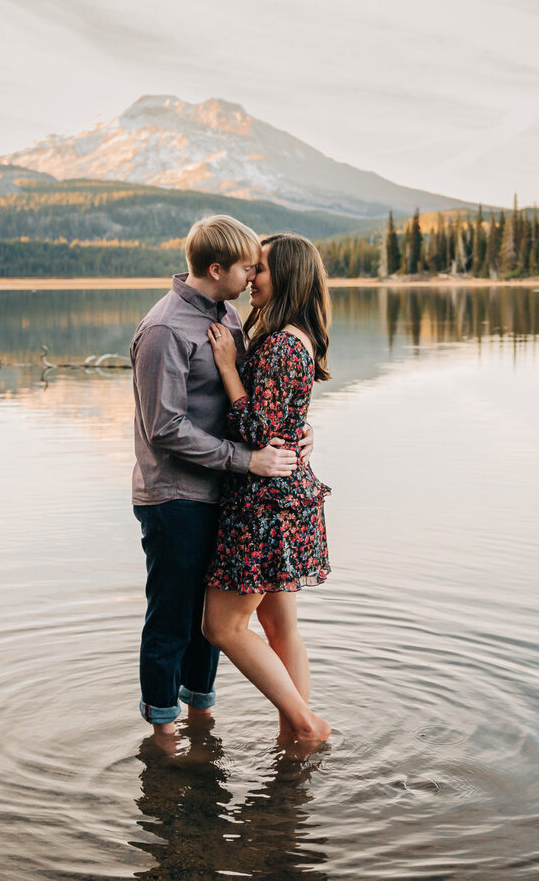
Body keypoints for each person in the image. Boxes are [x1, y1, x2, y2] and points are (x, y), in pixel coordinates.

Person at [131, 216, 307, 741]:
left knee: (212, 620)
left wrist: (300, 430)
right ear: (217, 269)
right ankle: (163, 736)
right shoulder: (164, 330)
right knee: (172, 619)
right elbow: (164, 428)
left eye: (259, 267)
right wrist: (245, 460)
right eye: (248, 266)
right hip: (175, 497)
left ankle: (201, 724)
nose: (254, 276)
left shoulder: (227, 313)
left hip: (223, 493)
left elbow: (259, 400)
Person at [201, 233, 334, 745]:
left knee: (223, 628)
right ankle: (293, 735)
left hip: (264, 504)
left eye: (259, 269)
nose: (249, 278)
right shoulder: (295, 337)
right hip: (284, 498)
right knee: (281, 630)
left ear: (288, 277)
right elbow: (286, 422)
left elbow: (259, 432)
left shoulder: (280, 345)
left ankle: (305, 725)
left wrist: (230, 368)